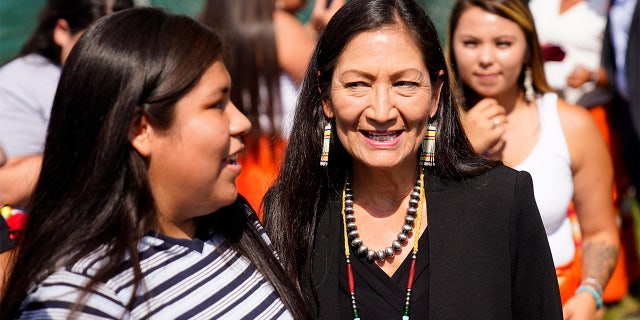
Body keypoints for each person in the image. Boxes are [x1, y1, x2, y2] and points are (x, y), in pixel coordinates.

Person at [0, 7, 311, 319]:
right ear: (141, 129)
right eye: (217, 104)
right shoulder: (80, 297)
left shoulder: (235, 222)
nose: (241, 121)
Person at [262, 0, 562, 318]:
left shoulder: (502, 200)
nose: (381, 111)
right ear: (326, 99)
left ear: (435, 95)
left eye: (404, 83)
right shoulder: (293, 213)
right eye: (357, 85)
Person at [445, 0, 620, 317]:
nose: (486, 58)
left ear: (528, 48)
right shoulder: (430, 130)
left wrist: (590, 292)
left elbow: (600, 232)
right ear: (452, 46)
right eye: (470, 43)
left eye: (503, 43)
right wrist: (459, 148)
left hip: (556, 301)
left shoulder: (570, 124)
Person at [199, 0, 343, 213]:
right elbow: (336, 82)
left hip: (242, 165)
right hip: (281, 166)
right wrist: (336, 31)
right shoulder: (281, 27)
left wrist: (312, 31)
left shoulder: (220, 23)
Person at [0, 0, 134, 211]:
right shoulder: (19, 82)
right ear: (61, 31)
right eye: (92, 46)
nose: (104, 59)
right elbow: (6, 189)